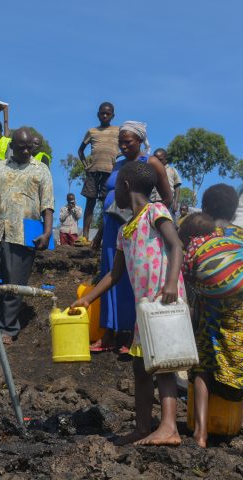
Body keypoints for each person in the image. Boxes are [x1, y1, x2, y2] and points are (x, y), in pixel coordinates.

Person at [72, 161, 185, 446]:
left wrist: (171, 283)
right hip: (143, 308)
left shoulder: (156, 212)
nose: (111, 197)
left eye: (113, 190)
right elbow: (115, 273)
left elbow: (176, 245)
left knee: (165, 364)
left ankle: (169, 427)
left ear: (124, 186)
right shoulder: (126, 231)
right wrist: (87, 298)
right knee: (140, 366)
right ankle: (142, 427)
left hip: (163, 300)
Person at [186, 184, 243, 447]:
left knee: (203, 360)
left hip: (212, 301)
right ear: (235, 211)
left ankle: (201, 433)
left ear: (204, 208)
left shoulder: (200, 231)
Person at [89, 121, 172, 354]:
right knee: (110, 273)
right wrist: (100, 234)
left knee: (128, 279)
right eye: (120, 142)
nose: (123, 146)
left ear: (139, 140)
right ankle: (108, 333)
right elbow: (110, 199)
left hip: (138, 227)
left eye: (128, 142)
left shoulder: (151, 162)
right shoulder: (118, 165)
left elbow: (167, 198)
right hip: (111, 228)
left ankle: (127, 334)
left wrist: (149, 222)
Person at [0, 127, 54, 345]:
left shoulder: (41, 170)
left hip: (23, 235)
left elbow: (47, 204)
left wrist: (47, 232)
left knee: (15, 282)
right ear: (12, 146)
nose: (24, 151)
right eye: (19, 147)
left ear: (32, 146)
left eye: (27, 147)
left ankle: (8, 329)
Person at [78, 102, 120, 240]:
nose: (105, 115)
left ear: (113, 116)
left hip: (110, 173)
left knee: (107, 206)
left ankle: (102, 238)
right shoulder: (92, 132)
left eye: (108, 113)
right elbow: (80, 151)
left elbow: (125, 147)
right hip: (93, 172)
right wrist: (86, 165)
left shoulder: (118, 131)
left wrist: (117, 157)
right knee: (90, 203)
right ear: (98, 115)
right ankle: (85, 236)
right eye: (102, 113)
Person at [151, 148, 182, 218]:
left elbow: (177, 187)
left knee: (168, 222)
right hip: (152, 203)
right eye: (155, 160)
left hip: (167, 203)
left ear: (166, 159)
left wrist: (175, 202)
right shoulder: (150, 171)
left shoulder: (172, 170)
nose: (157, 162)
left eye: (160, 159)